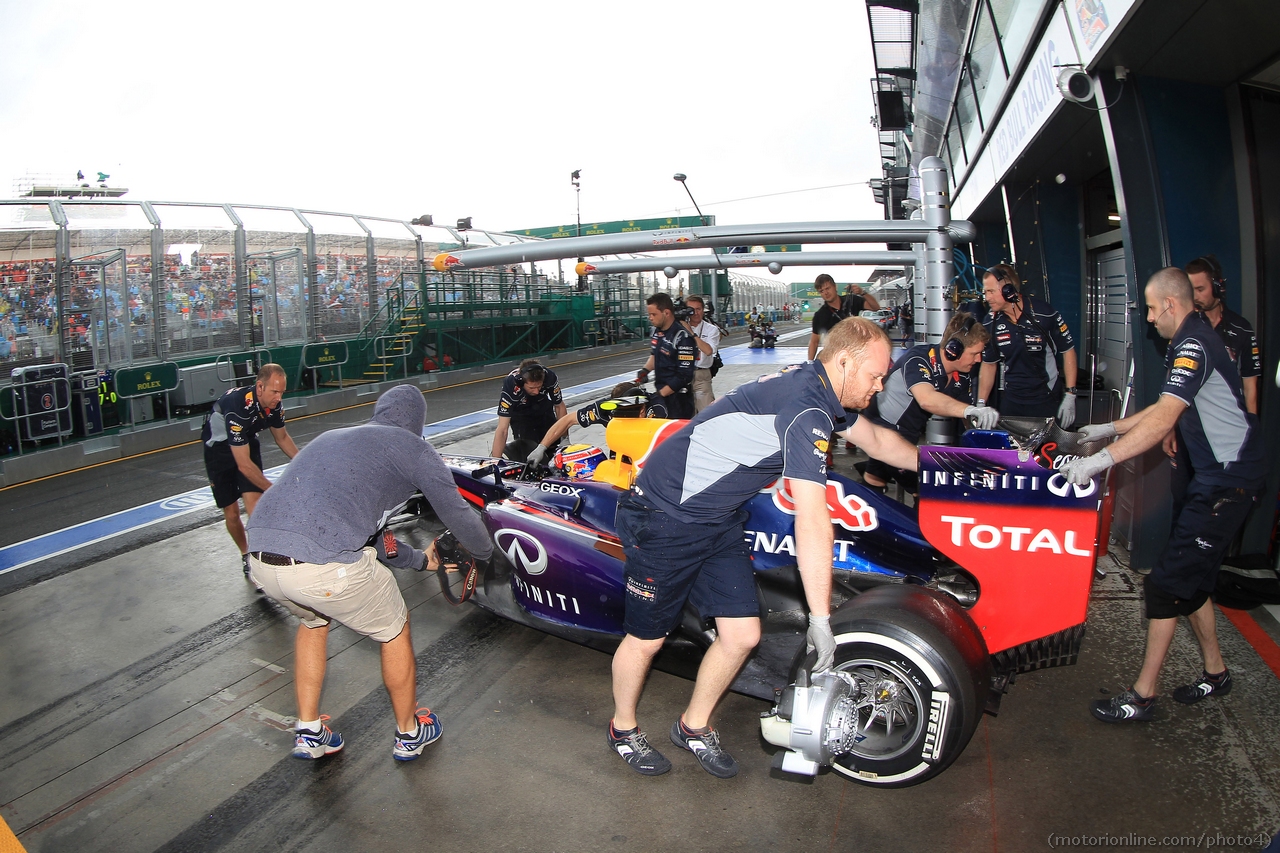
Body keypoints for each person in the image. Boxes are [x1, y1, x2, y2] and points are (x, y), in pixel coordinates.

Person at [607, 317, 919, 777]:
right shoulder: (806, 408)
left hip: (716, 517)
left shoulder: (824, 392)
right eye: (875, 375)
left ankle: (693, 727)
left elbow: (875, 440)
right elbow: (812, 518)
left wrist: (943, 467)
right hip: (664, 516)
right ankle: (623, 728)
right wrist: (820, 621)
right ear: (845, 361)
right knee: (648, 638)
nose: (880, 385)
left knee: (742, 635)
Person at [1059, 268, 1265, 723]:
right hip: (1218, 477)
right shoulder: (1189, 339)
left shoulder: (1193, 343)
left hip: (1227, 482)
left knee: (1165, 584)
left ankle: (1142, 695)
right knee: (1193, 580)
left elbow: (1164, 418)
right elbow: (1163, 407)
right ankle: (1217, 672)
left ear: (1171, 304)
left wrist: (1100, 460)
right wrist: (1110, 427)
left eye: (1152, 309)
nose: (1150, 319)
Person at [246, 385, 494, 760]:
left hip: (262, 559)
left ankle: (309, 732)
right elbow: (456, 512)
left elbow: (372, 536)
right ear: (417, 423)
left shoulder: (337, 438)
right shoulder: (413, 447)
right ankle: (411, 733)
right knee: (394, 626)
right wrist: (487, 553)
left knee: (314, 622)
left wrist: (418, 560)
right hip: (321, 563)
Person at [861, 312, 997, 493]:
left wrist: (985, 434)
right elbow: (927, 399)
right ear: (953, 349)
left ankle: (871, 505)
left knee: (874, 477)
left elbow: (966, 418)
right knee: (927, 487)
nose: (978, 359)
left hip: (909, 430)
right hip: (883, 427)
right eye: (974, 353)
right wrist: (970, 410)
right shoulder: (920, 359)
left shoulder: (962, 375)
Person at [201, 363, 299, 588]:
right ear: (260, 387)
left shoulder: (275, 406)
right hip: (218, 450)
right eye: (274, 392)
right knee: (232, 512)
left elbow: (282, 438)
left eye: (282, 392)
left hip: (246, 442)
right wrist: (273, 490)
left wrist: (304, 461)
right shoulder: (238, 407)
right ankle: (245, 553)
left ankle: (261, 558)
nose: (278, 397)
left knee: (254, 506)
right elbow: (244, 467)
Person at [976, 263, 1079, 426]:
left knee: (1046, 450)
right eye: (985, 292)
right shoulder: (990, 322)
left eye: (991, 292)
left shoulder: (1044, 313)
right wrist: (980, 404)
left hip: (1047, 399)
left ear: (1008, 290)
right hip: (1012, 401)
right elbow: (989, 365)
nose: (987, 298)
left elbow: (1068, 351)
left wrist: (1070, 394)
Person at [1185, 255, 1260, 414]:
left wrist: (1252, 429)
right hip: (1192, 425)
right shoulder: (1185, 327)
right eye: (1191, 290)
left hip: (1229, 421)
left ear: (1218, 287)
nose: (1195, 297)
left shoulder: (1242, 328)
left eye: (1200, 289)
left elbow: (1250, 388)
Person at [525, 382, 650, 467]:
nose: (620, 415)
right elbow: (567, 420)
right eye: (617, 411)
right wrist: (541, 448)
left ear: (642, 408)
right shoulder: (604, 409)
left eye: (626, 412)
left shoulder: (659, 411)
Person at [490, 358, 567, 461]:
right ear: (521, 382)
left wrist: (565, 438)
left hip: (542, 407)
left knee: (554, 444)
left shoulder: (549, 377)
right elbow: (502, 429)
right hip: (520, 413)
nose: (536, 391)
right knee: (528, 449)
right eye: (531, 388)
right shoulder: (511, 385)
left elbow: (559, 406)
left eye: (539, 387)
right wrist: (495, 461)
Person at [635, 293, 697, 419]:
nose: (650, 318)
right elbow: (655, 355)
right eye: (649, 314)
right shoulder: (658, 332)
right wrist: (645, 371)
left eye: (654, 314)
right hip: (662, 396)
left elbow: (684, 376)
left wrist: (660, 394)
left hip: (679, 400)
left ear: (666, 313)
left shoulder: (683, 338)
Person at [806, 274, 879, 360]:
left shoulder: (852, 300)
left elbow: (875, 307)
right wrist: (810, 363)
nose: (826, 293)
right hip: (835, 358)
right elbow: (814, 342)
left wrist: (863, 293)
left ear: (835, 287)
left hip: (857, 354)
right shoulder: (820, 315)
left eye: (828, 288)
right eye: (821, 291)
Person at [687, 295, 720, 413]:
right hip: (681, 374)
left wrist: (690, 332)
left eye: (698, 309)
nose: (695, 313)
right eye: (691, 310)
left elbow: (708, 350)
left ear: (703, 310)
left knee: (706, 413)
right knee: (683, 414)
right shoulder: (677, 328)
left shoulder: (712, 330)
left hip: (701, 375)